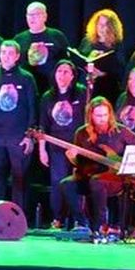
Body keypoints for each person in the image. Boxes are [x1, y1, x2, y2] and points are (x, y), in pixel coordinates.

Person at [0, 40, 37, 216]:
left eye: (10, 53)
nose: (6, 56)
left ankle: (18, 219)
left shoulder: (27, 78)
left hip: (19, 138)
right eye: (3, 52)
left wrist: (29, 136)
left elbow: (33, 109)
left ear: (18, 56)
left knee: (20, 182)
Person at [61, 97, 128, 232]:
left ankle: (101, 225)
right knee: (66, 184)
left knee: (97, 181)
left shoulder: (120, 131)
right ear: (90, 115)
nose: (102, 118)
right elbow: (79, 164)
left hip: (114, 178)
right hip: (88, 175)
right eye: (98, 115)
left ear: (110, 114)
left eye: (105, 115)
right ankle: (82, 223)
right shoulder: (81, 133)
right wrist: (72, 158)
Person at [37, 59, 87, 229]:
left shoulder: (81, 93)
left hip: (77, 147)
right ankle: (58, 218)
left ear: (73, 76)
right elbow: (42, 125)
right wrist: (42, 150)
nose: (62, 75)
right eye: (59, 71)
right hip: (55, 147)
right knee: (58, 182)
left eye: (66, 72)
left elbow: (87, 121)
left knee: (77, 183)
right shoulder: (47, 97)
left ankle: (79, 220)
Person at [77, 7, 126, 102]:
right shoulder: (87, 41)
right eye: (99, 24)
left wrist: (102, 73)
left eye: (105, 25)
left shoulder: (116, 45)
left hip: (106, 88)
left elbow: (121, 71)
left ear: (112, 27)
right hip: (86, 86)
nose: (101, 28)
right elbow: (79, 62)